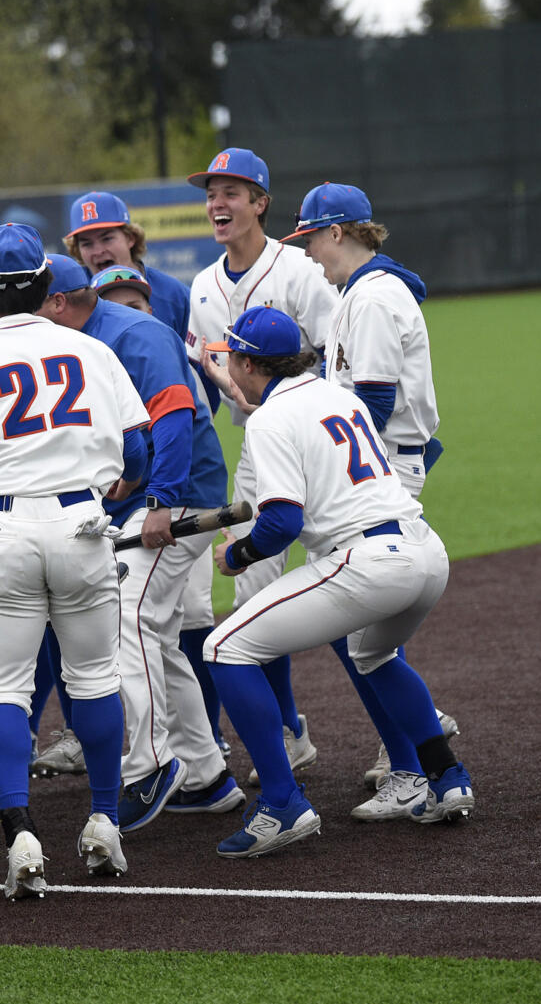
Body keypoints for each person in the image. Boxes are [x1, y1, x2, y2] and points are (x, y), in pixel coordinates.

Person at [0, 223, 152, 899]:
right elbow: (137, 454)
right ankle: (105, 819)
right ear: (48, 287)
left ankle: (20, 830)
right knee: (95, 678)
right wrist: (121, 491)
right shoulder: (89, 349)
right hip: (81, 520)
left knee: (7, 689)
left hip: (7, 524)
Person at [201, 306, 473, 858]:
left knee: (224, 649)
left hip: (367, 561)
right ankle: (448, 778)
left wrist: (238, 555)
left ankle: (282, 803)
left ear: (249, 363)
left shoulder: (271, 419)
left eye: (231, 356)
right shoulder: (337, 395)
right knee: (374, 656)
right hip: (425, 549)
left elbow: (281, 523)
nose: (228, 366)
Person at [38, 255, 242, 831]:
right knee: (156, 633)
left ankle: (149, 763)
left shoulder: (136, 333)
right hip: (140, 499)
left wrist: (160, 501)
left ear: (59, 301)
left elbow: (174, 417)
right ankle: (205, 774)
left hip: (178, 496)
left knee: (126, 618)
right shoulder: (76, 337)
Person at [281, 182, 457, 810]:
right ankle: (415, 739)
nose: (306, 254)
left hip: (384, 467)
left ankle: (412, 759)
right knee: (355, 622)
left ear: (338, 232)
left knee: (352, 618)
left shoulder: (375, 297)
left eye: (309, 239)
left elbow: (374, 403)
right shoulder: (360, 293)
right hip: (380, 464)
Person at [186, 147, 339, 787]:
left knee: (355, 587)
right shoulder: (202, 287)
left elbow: (340, 356)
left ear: (260, 203)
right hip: (258, 449)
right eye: (212, 192)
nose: (218, 203)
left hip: (321, 445)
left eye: (232, 191)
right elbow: (216, 373)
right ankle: (288, 730)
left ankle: (405, 744)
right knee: (251, 599)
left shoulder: (299, 271)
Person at [63, 191, 191, 341]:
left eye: (107, 239)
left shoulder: (173, 295)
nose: (98, 251)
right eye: (87, 243)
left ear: (130, 238)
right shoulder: (71, 299)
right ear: (77, 249)